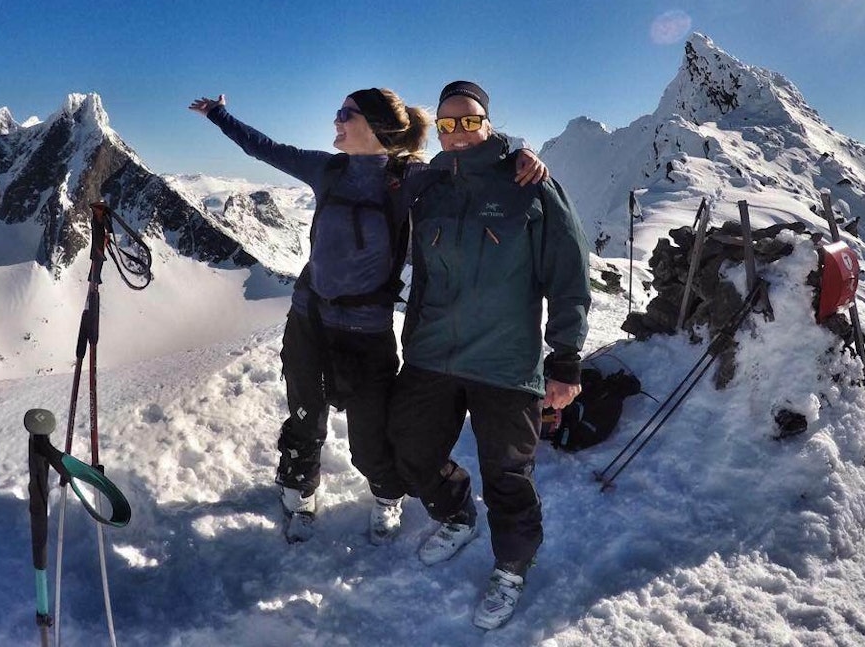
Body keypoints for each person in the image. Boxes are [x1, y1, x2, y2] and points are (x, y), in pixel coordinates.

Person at [189, 89, 546, 544]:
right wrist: (220, 115)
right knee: (304, 413)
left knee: (370, 434)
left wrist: (521, 156)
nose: (335, 122)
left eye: (345, 115)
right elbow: (265, 149)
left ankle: (386, 495)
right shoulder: (328, 169)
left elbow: (470, 165)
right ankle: (300, 492)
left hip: (368, 331)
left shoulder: (409, 177)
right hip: (310, 319)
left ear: (377, 127)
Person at [387, 80, 590, 630]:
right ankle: (457, 514)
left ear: (488, 123)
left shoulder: (530, 184)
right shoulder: (427, 185)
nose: (457, 132)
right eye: (447, 122)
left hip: (505, 361)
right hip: (432, 354)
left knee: (508, 473)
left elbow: (567, 275)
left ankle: (512, 564)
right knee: (412, 450)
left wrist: (565, 358)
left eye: (468, 120)